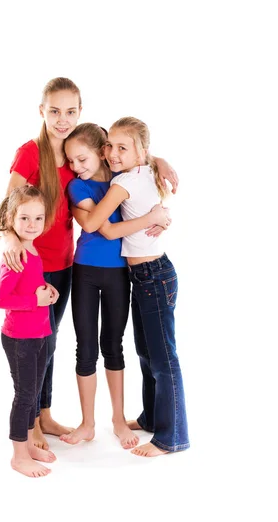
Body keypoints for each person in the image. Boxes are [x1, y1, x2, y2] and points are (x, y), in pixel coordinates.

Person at [2, 77, 179, 449]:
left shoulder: (96, 154)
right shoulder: (35, 155)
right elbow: (11, 205)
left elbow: (128, 150)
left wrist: (157, 160)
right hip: (43, 262)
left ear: (81, 114)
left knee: (59, 343)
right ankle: (32, 422)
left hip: (70, 263)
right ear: (42, 111)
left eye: (70, 111)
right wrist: (9, 238)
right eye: (54, 111)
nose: (62, 119)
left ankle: (48, 414)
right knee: (41, 343)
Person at [72, 116, 190, 457]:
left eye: (122, 148)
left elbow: (101, 227)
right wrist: (156, 163)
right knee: (146, 353)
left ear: (141, 151)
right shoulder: (134, 172)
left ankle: (171, 438)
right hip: (143, 276)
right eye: (111, 147)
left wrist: (82, 215)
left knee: (162, 358)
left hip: (152, 274)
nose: (114, 153)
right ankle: (151, 416)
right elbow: (142, 159)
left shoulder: (124, 182)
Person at [0, 185, 59, 477]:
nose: (32, 225)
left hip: (41, 334)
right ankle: (19, 455)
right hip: (20, 339)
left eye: (38, 218)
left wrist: (47, 289)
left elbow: (32, 284)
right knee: (25, 396)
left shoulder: (32, 250)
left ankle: (30, 444)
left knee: (33, 394)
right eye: (24, 219)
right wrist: (35, 300)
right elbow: (0, 299)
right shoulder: (15, 256)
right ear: (11, 220)